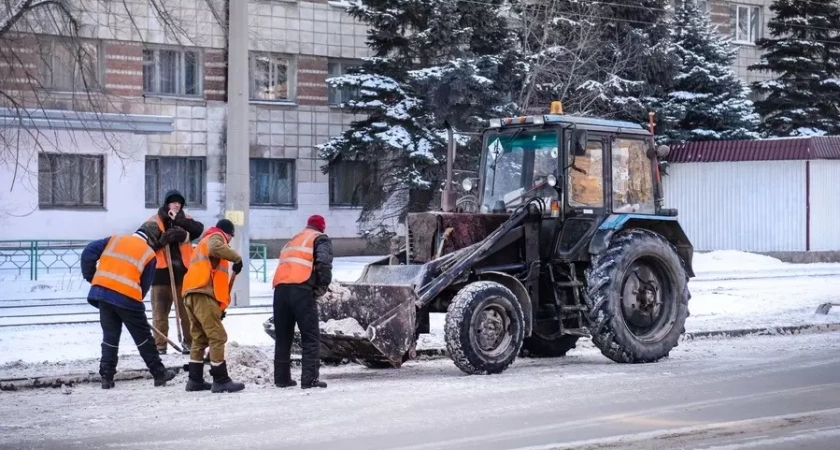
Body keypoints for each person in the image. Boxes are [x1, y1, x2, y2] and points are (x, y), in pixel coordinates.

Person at [81, 222, 177, 389]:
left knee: (110, 338)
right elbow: (145, 285)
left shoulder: (115, 239)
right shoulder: (149, 254)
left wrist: (93, 278)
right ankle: (159, 374)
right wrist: (134, 304)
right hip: (128, 299)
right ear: (153, 239)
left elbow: (88, 251)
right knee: (143, 339)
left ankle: (106, 377)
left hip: (103, 294)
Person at [181, 219, 245, 393]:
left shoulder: (202, 242)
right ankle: (221, 379)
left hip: (191, 294)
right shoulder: (216, 237)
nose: (229, 242)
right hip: (203, 294)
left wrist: (218, 306)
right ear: (228, 233)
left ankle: (195, 380)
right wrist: (237, 258)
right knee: (218, 336)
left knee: (199, 338)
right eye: (231, 237)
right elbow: (216, 248)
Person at [272, 215, 333, 389]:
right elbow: (324, 264)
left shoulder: (293, 240)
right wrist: (321, 287)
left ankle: (282, 379)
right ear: (322, 227)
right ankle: (309, 380)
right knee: (310, 336)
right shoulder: (320, 239)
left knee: (283, 337)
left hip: (280, 291)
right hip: (301, 290)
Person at [148, 190, 204, 355]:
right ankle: (160, 346)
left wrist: (181, 228)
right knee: (159, 314)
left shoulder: (185, 220)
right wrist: (161, 241)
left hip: (182, 276)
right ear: (167, 204)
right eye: (173, 202)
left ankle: (189, 343)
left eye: (179, 203)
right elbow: (146, 244)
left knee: (186, 313)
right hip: (160, 275)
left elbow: (198, 230)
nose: (177, 205)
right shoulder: (154, 221)